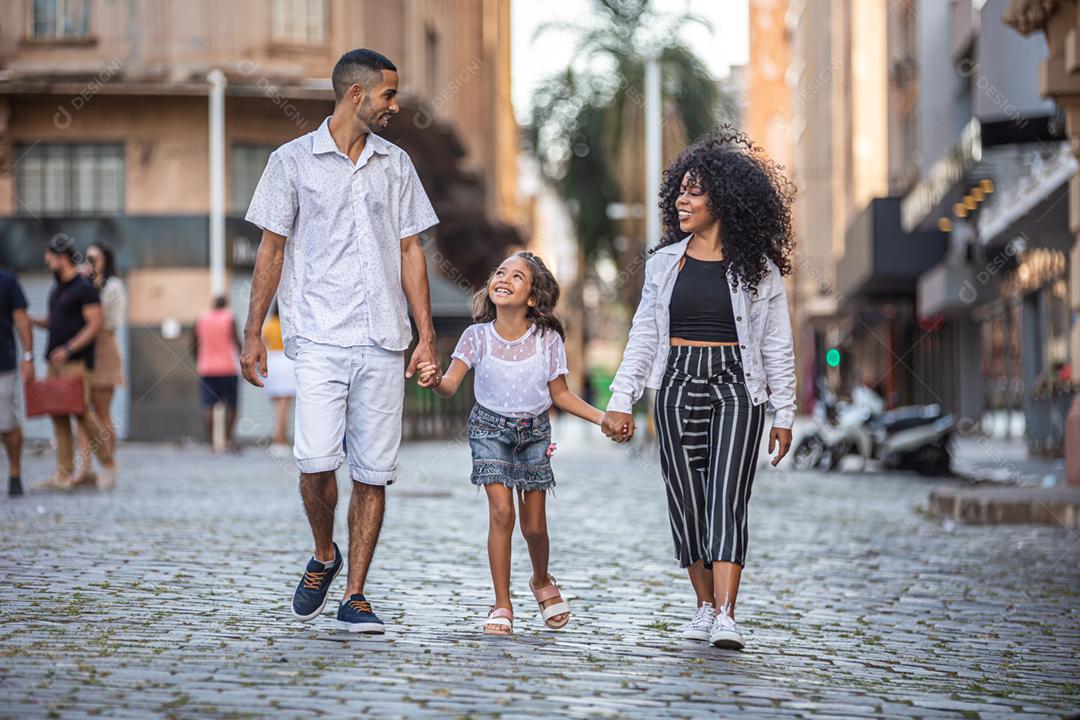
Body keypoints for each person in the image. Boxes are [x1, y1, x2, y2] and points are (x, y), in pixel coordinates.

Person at [240, 49, 440, 634]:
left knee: (373, 473)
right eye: (387, 96)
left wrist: (426, 337)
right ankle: (324, 553)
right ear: (357, 95)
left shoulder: (396, 165)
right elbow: (271, 251)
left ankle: (355, 594)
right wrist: (253, 332)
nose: (394, 106)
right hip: (318, 335)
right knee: (315, 462)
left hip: (383, 337)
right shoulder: (291, 163)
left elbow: (410, 251)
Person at [601, 128, 797, 651]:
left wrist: (784, 413)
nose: (682, 201)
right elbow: (644, 335)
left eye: (695, 192)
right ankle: (704, 605)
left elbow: (777, 345)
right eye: (680, 192)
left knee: (728, 495)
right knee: (686, 498)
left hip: (737, 383)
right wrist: (621, 401)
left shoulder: (760, 271)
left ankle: (728, 614)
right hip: (677, 380)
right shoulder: (665, 265)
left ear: (724, 200)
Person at [416, 252, 616, 636]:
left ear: (533, 298)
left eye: (517, 276)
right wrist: (433, 379)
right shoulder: (476, 337)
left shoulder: (548, 339)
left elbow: (561, 395)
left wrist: (603, 417)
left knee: (535, 526)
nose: (503, 278)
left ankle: (541, 579)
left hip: (534, 434)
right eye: (500, 271)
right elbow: (449, 386)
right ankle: (501, 603)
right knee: (502, 512)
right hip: (489, 430)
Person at [33, 237, 117, 491]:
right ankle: (63, 473)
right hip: (54, 363)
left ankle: (108, 464)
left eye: (50, 256)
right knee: (58, 416)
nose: (47, 261)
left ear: (62, 258)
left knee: (83, 415)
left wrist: (69, 348)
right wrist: (27, 318)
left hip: (76, 363)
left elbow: (95, 324)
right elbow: (54, 321)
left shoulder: (84, 288)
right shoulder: (57, 288)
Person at [75, 242, 126, 486]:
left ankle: (108, 465)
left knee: (102, 413)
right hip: (84, 352)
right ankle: (84, 468)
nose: (91, 262)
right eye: (88, 258)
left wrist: (90, 283)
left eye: (96, 258)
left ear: (105, 261)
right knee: (82, 412)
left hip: (105, 348)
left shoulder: (113, 286)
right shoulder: (83, 284)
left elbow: (100, 314)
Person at [0, 266, 34, 497]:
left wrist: (28, 356)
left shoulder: (7, 281)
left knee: (7, 423)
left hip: (3, 365)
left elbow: (21, 319)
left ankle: (15, 472)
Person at [193, 296, 241, 451]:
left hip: (207, 369)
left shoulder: (201, 318)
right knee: (232, 405)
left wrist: (200, 360)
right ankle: (228, 439)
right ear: (226, 304)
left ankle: (211, 443)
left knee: (208, 406)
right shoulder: (229, 317)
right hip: (228, 368)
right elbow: (237, 342)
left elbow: (193, 344)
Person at [262, 302, 296, 451]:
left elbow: (263, 343)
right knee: (284, 406)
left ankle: (279, 438)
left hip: (272, 362)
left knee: (278, 406)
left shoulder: (269, 324)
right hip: (286, 361)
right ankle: (280, 440)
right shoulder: (289, 324)